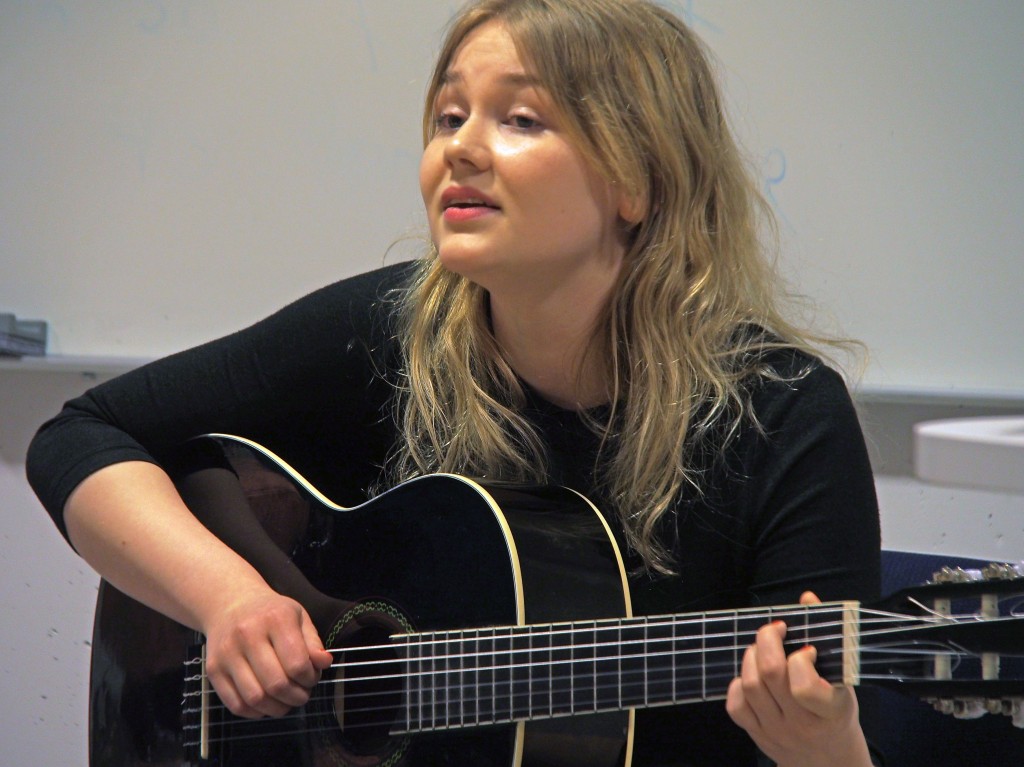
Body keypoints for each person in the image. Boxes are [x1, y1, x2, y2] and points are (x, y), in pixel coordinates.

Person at [27, 1, 882, 765]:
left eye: (518, 119)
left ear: (637, 180)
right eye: (447, 115)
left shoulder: (782, 413)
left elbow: (828, 721)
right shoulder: (391, 332)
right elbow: (81, 435)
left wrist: (827, 747)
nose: (459, 148)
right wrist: (228, 597)